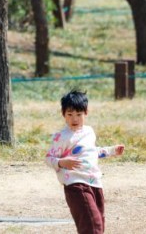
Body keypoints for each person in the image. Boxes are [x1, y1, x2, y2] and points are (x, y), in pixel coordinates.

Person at [45, 90, 125, 234]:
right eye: (70, 114)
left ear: (86, 112)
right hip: (76, 185)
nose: (74, 119)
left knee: (99, 222)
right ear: (63, 114)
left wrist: (112, 151)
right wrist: (62, 162)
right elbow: (49, 158)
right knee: (92, 226)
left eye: (79, 114)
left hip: (94, 182)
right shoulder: (61, 137)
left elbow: (92, 152)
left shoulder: (89, 131)